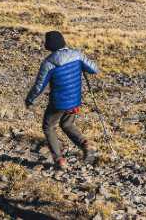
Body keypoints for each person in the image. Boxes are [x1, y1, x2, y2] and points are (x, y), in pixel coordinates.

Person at [25, 31, 98, 169]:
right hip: (75, 101)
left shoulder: (49, 63)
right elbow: (94, 69)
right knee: (67, 125)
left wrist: (30, 100)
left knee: (48, 126)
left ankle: (59, 160)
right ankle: (86, 145)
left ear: (49, 46)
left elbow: (39, 87)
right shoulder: (77, 55)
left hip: (58, 104)